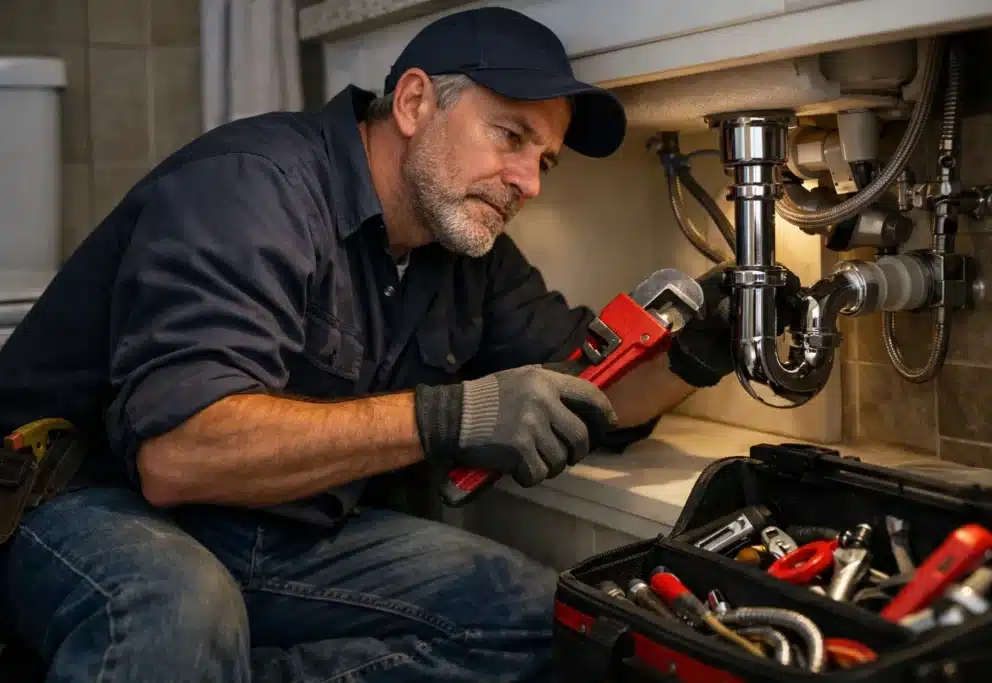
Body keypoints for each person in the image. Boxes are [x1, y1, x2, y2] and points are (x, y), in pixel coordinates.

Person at [0, 7, 735, 683]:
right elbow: (176, 452)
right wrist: (446, 417)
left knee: (537, 617)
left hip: (271, 523)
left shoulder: (468, 251)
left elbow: (588, 381)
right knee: (181, 607)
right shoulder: (255, 188)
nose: (528, 183)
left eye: (544, 161)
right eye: (511, 137)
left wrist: (704, 349)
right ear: (414, 103)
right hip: (79, 497)